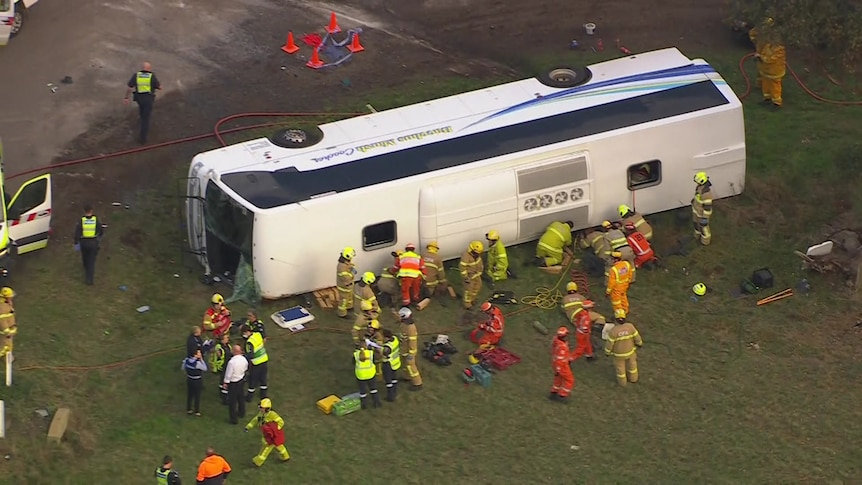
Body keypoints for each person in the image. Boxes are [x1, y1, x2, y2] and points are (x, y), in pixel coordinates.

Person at [749, 18, 786, 108]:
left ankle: (777, 102)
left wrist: (761, 58)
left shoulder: (779, 47)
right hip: (765, 69)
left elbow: (773, 58)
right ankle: (767, 98)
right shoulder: (767, 44)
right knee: (765, 83)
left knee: (775, 85)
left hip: (774, 70)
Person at [244, 398, 290, 467]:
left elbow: (281, 422)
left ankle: (257, 462)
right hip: (269, 434)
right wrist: (248, 427)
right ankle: (285, 457)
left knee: (265, 449)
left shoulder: (272, 415)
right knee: (279, 446)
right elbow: (255, 420)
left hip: (270, 436)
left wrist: (275, 431)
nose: (260, 409)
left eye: (262, 408)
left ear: (267, 409)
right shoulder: (261, 414)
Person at [124, 62, 162, 144]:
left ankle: (141, 118)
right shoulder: (151, 76)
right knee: (146, 119)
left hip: (139, 98)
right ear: (149, 68)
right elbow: (159, 87)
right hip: (148, 99)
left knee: (142, 110)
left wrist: (126, 97)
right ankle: (143, 139)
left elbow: (130, 87)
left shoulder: (136, 75)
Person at [604, 315, 643, 386]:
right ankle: (633, 379)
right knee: (632, 365)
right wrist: (639, 343)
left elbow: (609, 344)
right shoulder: (630, 326)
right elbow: (637, 337)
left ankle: (622, 383)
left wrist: (607, 352)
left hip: (619, 355)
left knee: (620, 369)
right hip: (630, 352)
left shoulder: (613, 331)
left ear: (615, 320)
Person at [73, 204, 104, 285]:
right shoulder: (95, 219)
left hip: (84, 242)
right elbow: (100, 231)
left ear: (84, 211)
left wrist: (76, 243)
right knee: (91, 261)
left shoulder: (81, 220)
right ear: (91, 210)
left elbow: (77, 232)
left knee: (85, 258)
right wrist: (99, 238)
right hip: (93, 242)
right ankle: (89, 279)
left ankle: (86, 270)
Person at [398, 307, 423, 390]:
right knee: (404, 364)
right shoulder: (404, 324)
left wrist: (411, 354)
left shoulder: (411, 328)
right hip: (404, 349)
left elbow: (412, 342)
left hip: (409, 351)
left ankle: (417, 383)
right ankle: (407, 377)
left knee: (411, 366)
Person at [222, 344, 248, 424]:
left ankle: (233, 419)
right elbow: (246, 368)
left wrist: (226, 382)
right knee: (241, 398)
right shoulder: (244, 359)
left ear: (234, 351)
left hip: (233, 383)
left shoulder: (232, 362)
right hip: (241, 380)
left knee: (232, 401)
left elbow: (228, 374)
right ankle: (241, 412)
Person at [242, 324, 269, 402]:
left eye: (244, 333)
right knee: (263, 379)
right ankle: (263, 395)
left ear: (247, 332)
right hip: (264, 359)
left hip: (256, 363)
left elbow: (250, 354)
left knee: (252, 380)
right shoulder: (257, 334)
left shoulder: (249, 342)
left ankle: (249, 397)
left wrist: (243, 356)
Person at [549, 326, 575, 403]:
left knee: (558, 379)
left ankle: (554, 392)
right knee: (570, 380)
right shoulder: (562, 347)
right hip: (562, 365)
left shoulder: (556, 340)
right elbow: (560, 359)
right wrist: (559, 369)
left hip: (557, 364)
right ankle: (562, 395)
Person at [606, 252, 634, 317]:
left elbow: (611, 283)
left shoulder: (613, 269)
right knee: (623, 298)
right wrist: (627, 282)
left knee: (616, 302)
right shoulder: (626, 264)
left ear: (615, 260)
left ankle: (620, 316)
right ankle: (625, 310)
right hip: (624, 287)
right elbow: (630, 274)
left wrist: (608, 292)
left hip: (616, 289)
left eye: (611, 259)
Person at [459, 241, 484, 309]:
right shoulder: (466, 256)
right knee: (468, 291)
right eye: (476, 253)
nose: (477, 255)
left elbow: (479, 263)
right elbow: (462, 268)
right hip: (469, 277)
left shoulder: (476, 255)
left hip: (476, 275)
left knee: (477, 287)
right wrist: (466, 277)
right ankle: (467, 305)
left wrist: (480, 271)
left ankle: (472, 299)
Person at [182, 349, 208, 416]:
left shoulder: (187, 360)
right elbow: (205, 368)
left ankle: (189, 409)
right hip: (197, 380)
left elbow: (183, 368)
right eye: (199, 353)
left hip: (189, 379)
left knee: (190, 394)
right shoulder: (197, 363)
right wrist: (201, 359)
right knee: (197, 395)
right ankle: (197, 411)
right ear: (195, 355)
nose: (200, 354)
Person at [692, 171, 714, 246]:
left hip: (702, 213)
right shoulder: (699, 187)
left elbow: (707, 208)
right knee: (696, 224)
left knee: (704, 227)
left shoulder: (706, 193)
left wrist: (705, 218)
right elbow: (698, 197)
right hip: (697, 210)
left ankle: (705, 241)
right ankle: (697, 237)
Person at [209, 333, 231, 405]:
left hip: (227, 365)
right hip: (222, 366)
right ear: (222, 340)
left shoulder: (227, 345)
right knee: (224, 381)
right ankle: (224, 397)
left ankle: (222, 392)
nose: (227, 339)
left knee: (224, 380)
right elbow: (219, 355)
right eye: (226, 338)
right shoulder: (219, 347)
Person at [380, 328, 401, 402]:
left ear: (386, 337)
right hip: (395, 363)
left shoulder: (387, 347)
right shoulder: (395, 339)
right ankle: (394, 392)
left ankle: (390, 396)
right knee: (394, 379)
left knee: (388, 381)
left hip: (388, 364)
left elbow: (384, 353)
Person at [336, 247, 357, 318]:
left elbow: (349, 265)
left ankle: (349, 307)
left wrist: (352, 267)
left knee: (350, 297)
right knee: (344, 300)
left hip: (348, 285)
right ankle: (342, 314)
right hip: (344, 287)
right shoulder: (341, 267)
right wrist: (352, 273)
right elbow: (346, 278)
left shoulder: (345, 261)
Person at [0, 287, 16, 361]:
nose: (11, 298)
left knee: (8, 344)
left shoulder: (7, 304)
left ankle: (7, 357)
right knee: (4, 346)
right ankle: (6, 357)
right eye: (10, 297)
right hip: (5, 331)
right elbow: (2, 320)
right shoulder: (2, 307)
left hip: (10, 329)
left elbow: (10, 315)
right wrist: (7, 331)